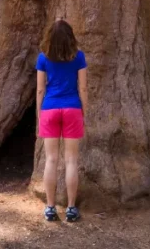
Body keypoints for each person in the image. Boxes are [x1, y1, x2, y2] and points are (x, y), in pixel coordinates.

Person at [36, 19, 87, 223]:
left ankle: (50, 208)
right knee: (71, 161)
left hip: (49, 108)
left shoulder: (43, 58)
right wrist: (84, 110)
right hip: (72, 108)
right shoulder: (79, 57)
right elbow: (83, 88)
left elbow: (40, 88)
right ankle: (71, 209)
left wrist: (40, 112)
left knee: (51, 160)